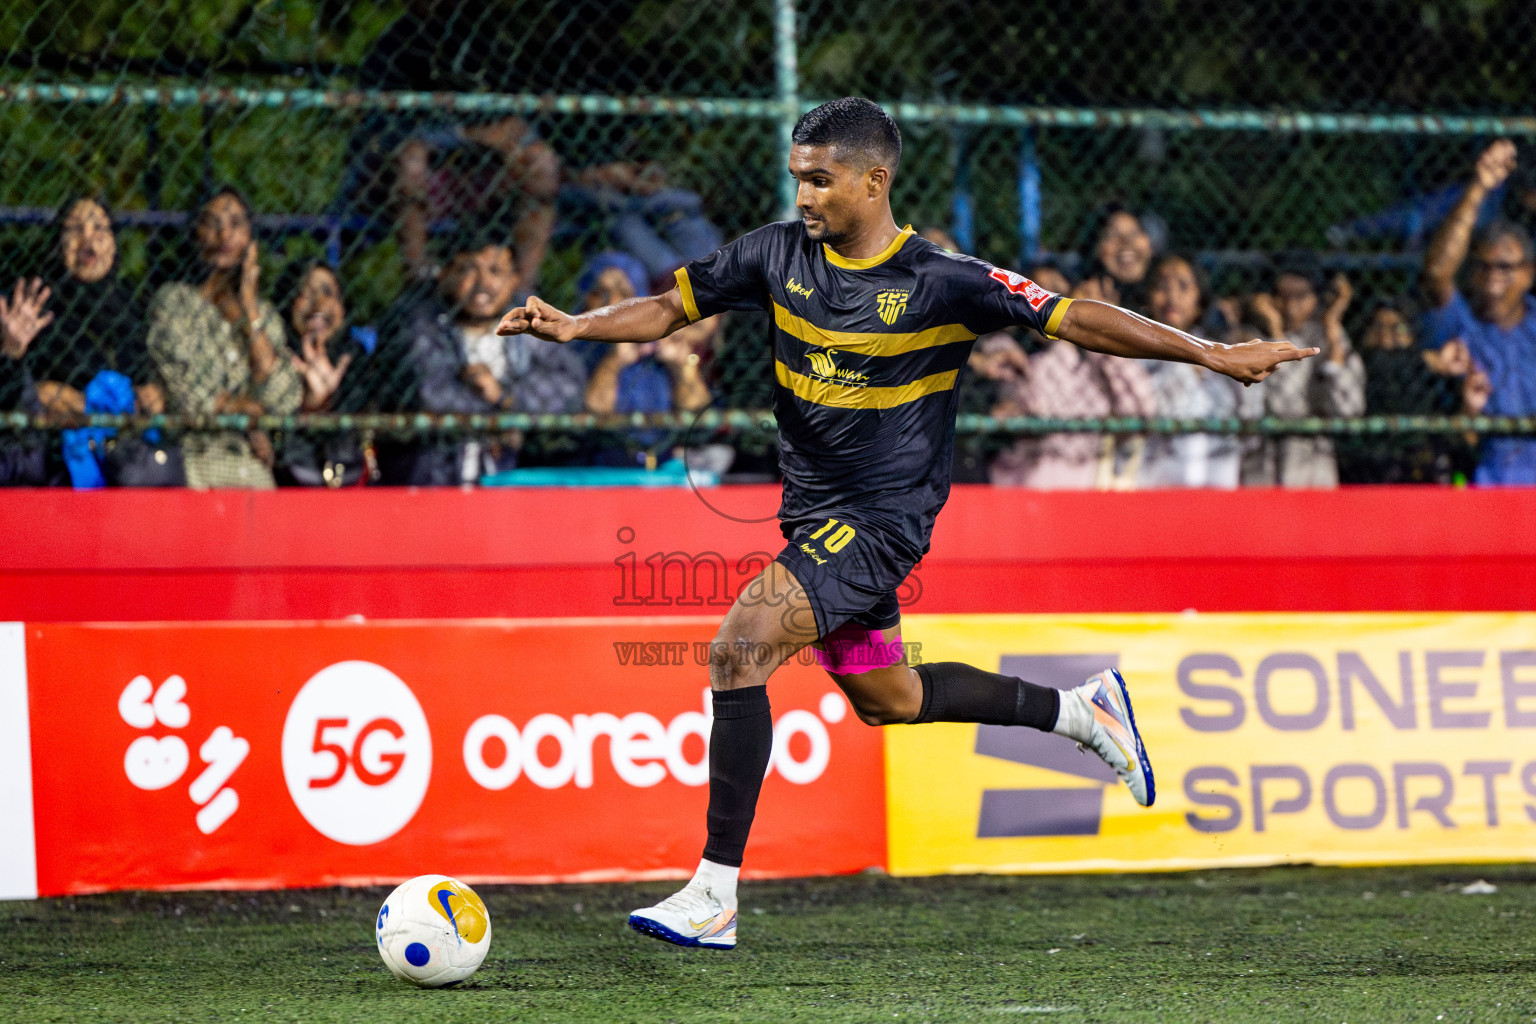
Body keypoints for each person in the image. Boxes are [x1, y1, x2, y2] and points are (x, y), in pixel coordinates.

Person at [497, 97, 1314, 949]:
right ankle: (1082, 712)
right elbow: (672, 306)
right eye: (797, 178)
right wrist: (578, 325)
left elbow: (1076, 317)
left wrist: (1210, 353)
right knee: (891, 697)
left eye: (821, 180)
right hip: (814, 516)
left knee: (740, 647)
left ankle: (713, 893)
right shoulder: (774, 254)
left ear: (874, 179)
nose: (804, 196)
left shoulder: (943, 280)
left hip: (882, 523)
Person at [347, 0, 559, 284]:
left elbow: (514, 123)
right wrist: (466, 135)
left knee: (541, 163)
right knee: (412, 158)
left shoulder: (484, 39)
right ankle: (419, 275)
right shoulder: (394, 47)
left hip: (480, 172)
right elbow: (387, 132)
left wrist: (486, 137)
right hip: (415, 179)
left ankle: (522, 286)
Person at [381, 231, 586, 484]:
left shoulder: (531, 325)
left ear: (514, 280)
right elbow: (430, 393)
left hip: (516, 472)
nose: (483, 282)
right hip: (436, 473)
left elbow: (569, 389)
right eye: (468, 270)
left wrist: (503, 396)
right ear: (444, 276)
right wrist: (502, 421)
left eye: (495, 271)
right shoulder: (422, 325)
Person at [146, 188, 303, 489]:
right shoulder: (175, 302)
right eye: (213, 223)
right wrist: (252, 412)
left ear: (250, 239)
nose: (224, 235)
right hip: (196, 466)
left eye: (236, 224)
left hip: (253, 470)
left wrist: (248, 307)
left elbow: (282, 397)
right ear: (196, 234)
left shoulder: (263, 314)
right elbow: (190, 397)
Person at [1421, 139, 1536, 485]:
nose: (1493, 280)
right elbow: (1437, 274)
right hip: (1485, 489)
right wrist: (1478, 189)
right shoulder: (1461, 324)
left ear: (1529, 273)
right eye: (1483, 268)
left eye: (1505, 268)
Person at [985, 264, 1157, 490]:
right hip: (1024, 486)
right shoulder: (1013, 356)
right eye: (1032, 292)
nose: (1041, 301)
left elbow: (1143, 411)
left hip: (1085, 489)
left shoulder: (1099, 366)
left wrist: (1103, 329)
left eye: (1054, 289)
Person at [1246, 253, 1365, 488]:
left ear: (1316, 297)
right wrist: (1276, 332)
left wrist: (1333, 336)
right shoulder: (1251, 337)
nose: (1290, 306)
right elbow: (1283, 405)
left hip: (1313, 469)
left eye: (1301, 296)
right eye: (1282, 296)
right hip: (1264, 470)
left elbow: (1349, 409)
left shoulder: (1329, 337)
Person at [1137, 254, 1254, 489]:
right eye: (1161, 287)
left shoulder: (1224, 353)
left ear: (1200, 299)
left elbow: (1251, 427)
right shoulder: (1136, 355)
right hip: (1157, 484)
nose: (1171, 296)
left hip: (1216, 481)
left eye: (1183, 286)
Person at [273, 261, 375, 487]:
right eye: (305, 292)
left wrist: (330, 399)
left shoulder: (355, 359)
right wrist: (308, 404)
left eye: (328, 293)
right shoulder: (274, 358)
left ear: (343, 307)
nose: (318, 303)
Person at [1072, 203, 1156, 312]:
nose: (1126, 242)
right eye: (1113, 235)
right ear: (1096, 248)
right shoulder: (1085, 295)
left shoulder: (1166, 301)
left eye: (1134, 233)